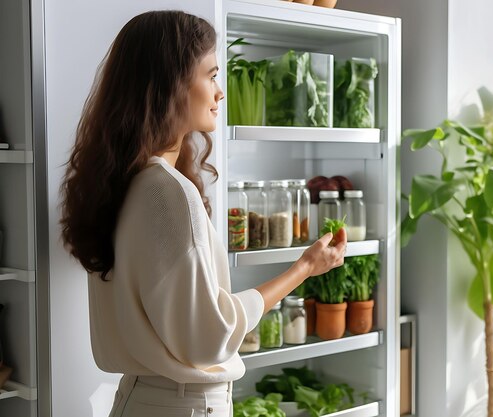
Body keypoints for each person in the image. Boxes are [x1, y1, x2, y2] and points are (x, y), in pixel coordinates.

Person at [60, 10, 346, 417]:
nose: (220, 91)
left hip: (137, 399)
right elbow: (211, 336)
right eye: (211, 75)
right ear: (171, 86)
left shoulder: (120, 181)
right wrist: (304, 267)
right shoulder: (169, 193)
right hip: (183, 407)